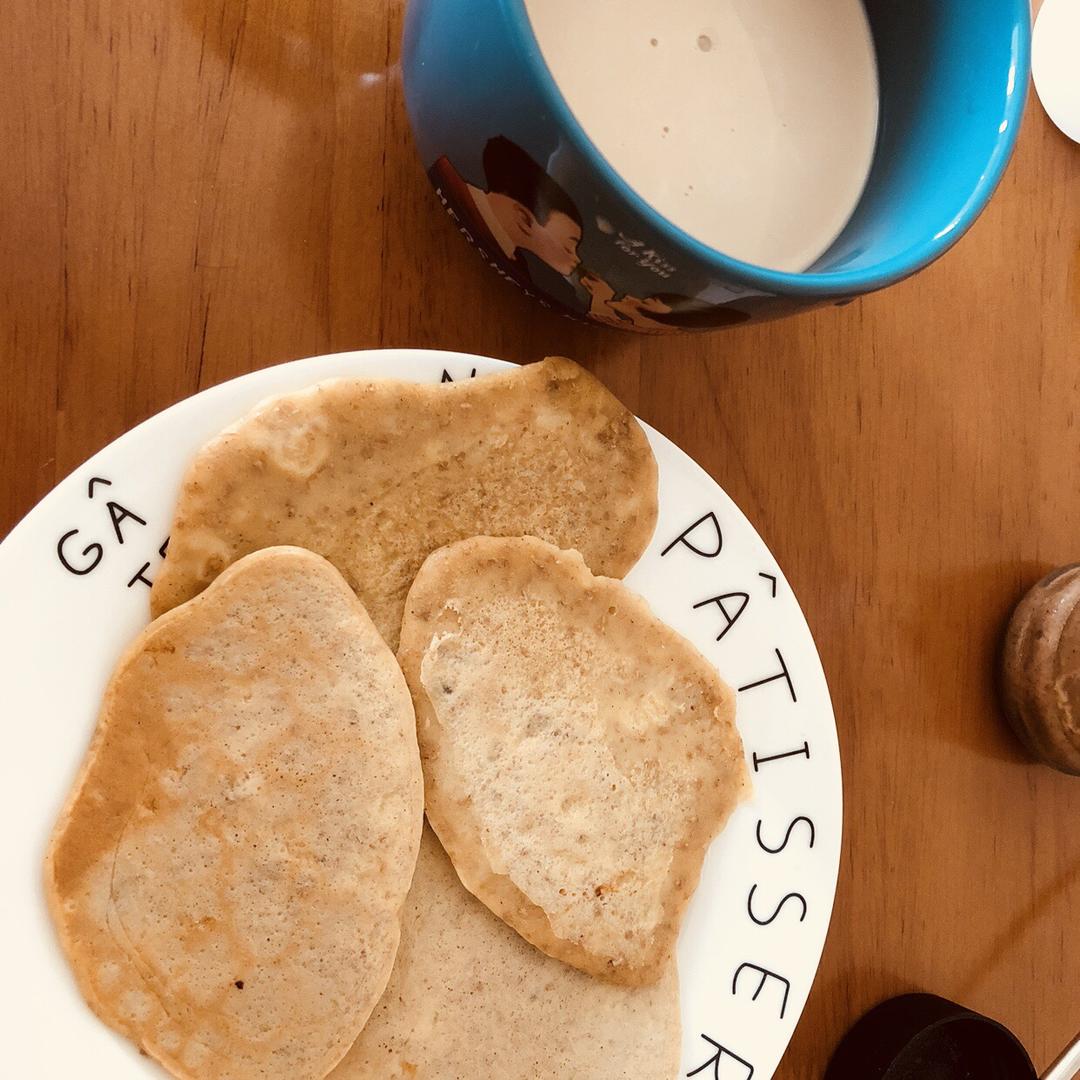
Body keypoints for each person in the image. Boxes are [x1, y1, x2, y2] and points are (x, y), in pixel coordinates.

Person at [429, 137, 583, 297]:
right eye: (568, 246)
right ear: (524, 220)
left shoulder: (518, 263)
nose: (577, 259)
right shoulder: (447, 179)